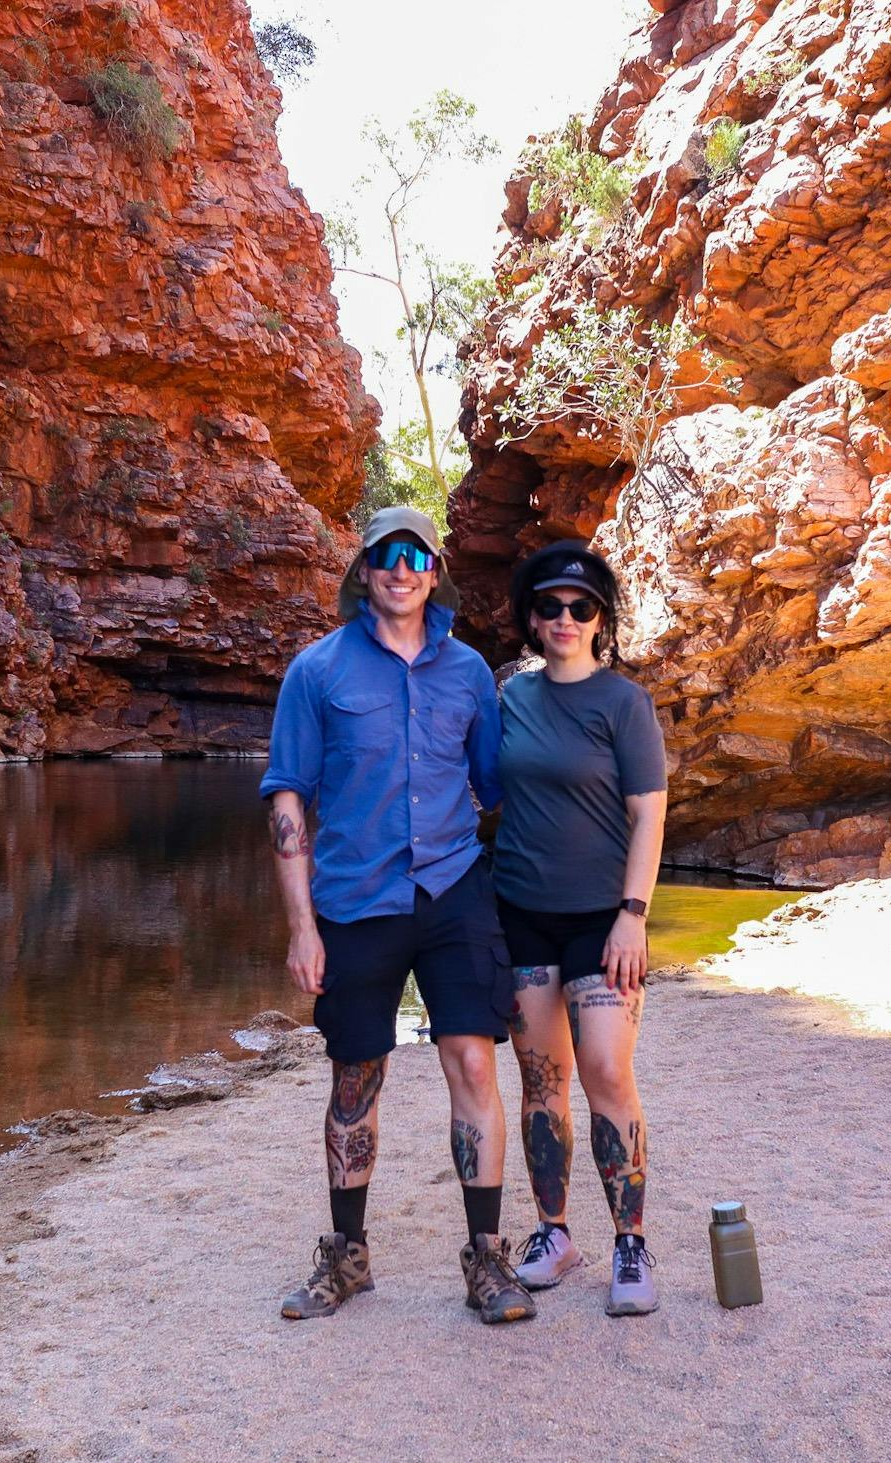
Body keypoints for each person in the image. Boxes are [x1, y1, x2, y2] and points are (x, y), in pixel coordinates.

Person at [260, 506, 534, 1325]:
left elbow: (496, 786)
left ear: (435, 570)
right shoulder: (317, 671)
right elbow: (287, 796)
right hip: (353, 899)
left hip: (453, 891)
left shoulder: (471, 674)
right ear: (364, 569)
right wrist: (302, 927)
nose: (401, 567)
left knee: (475, 1066)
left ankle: (488, 1260)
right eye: (386, 554)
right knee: (356, 1075)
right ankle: (347, 1256)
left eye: (416, 554)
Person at [491, 540, 668, 1317]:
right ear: (532, 619)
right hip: (521, 913)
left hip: (603, 919)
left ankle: (632, 1243)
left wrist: (634, 915)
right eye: (550, 607)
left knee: (603, 1068)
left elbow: (649, 815)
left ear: (600, 619)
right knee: (540, 1081)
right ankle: (554, 1234)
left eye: (581, 606)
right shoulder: (508, 698)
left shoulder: (623, 704)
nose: (565, 618)